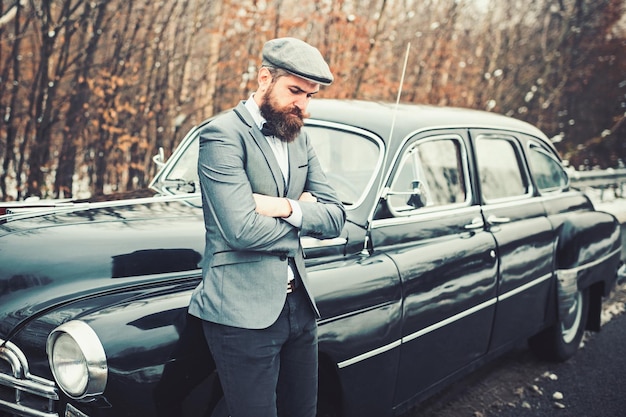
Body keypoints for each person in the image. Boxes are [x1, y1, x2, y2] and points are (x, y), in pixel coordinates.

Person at [188, 37, 346, 417]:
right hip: (241, 315)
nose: (303, 105)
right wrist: (305, 217)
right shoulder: (221, 134)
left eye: (310, 96)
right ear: (264, 78)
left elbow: (337, 216)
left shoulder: (298, 136)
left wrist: (281, 207)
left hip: (300, 309)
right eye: (295, 91)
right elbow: (240, 230)